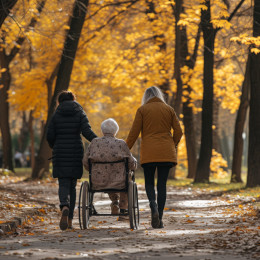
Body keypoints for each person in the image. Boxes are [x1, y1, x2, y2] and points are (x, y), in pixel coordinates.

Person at [126, 86, 183, 228]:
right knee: (162, 184)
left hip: (149, 152)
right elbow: (179, 131)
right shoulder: (169, 109)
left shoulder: (142, 110)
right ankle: (160, 219)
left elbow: (134, 133)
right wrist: (173, 144)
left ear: (146, 97)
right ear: (159, 95)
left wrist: (124, 149)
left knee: (149, 182)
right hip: (166, 151)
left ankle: (153, 206)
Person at [47, 91, 97, 230]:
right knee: (73, 186)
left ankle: (64, 205)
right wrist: (99, 141)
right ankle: (69, 221)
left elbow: (49, 134)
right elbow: (87, 131)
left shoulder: (56, 114)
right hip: (75, 151)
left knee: (63, 182)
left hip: (60, 151)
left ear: (59, 101)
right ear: (73, 99)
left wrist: (54, 145)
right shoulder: (79, 112)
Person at [83, 118, 137, 220]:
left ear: (102, 131)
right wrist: (134, 165)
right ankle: (123, 210)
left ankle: (114, 202)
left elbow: (86, 163)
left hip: (98, 181)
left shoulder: (94, 143)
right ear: (116, 131)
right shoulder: (121, 144)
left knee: (106, 174)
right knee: (124, 177)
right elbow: (130, 164)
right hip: (119, 182)